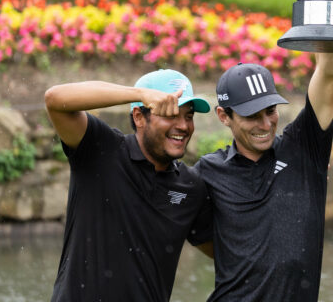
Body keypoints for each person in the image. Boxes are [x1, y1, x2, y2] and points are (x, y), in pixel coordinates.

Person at [44, 69, 214, 302]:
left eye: (188, 115)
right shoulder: (101, 150)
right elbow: (55, 99)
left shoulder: (191, 187)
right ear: (139, 116)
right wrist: (139, 93)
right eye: (170, 114)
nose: (183, 125)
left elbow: (222, 252)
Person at [195, 50, 333, 301]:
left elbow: (330, 71)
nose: (265, 124)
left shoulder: (304, 150)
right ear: (223, 116)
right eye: (252, 115)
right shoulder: (206, 173)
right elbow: (200, 238)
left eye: (270, 110)